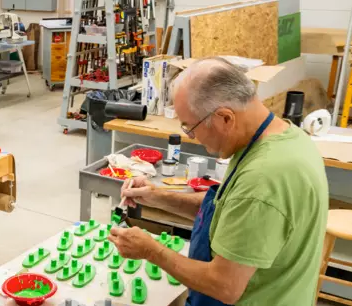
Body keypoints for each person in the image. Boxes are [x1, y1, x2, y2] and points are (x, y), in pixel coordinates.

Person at [109, 57, 328, 305]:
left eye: (190, 127)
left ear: (225, 118)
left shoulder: (264, 177)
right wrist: (156, 196)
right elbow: (229, 208)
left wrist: (151, 250)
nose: (192, 137)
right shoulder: (278, 137)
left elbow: (224, 285)